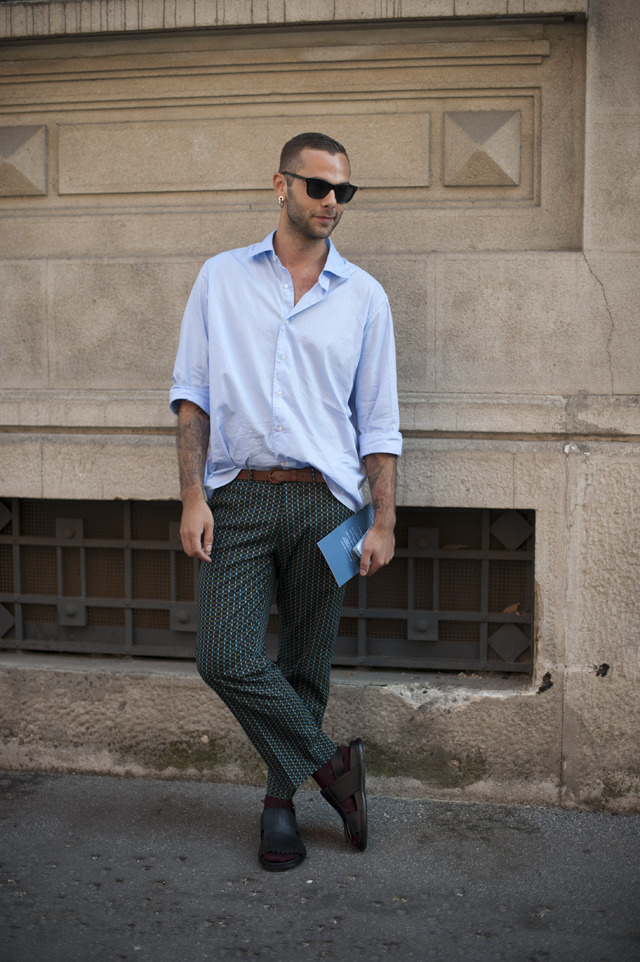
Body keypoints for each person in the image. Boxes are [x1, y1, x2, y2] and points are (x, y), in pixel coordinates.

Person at [170, 131, 402, 871]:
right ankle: (334, 769)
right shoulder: (221, 278)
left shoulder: (363, 296)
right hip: (236, 498)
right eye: (318, 187)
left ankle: (279, 806)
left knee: (306, 663)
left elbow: (378, 422)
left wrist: (384, 519)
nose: (332, 202)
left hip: (327, 505)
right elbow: (192, 398)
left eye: (344, 191)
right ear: (281, 185)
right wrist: (192, 498)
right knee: (224, 657)